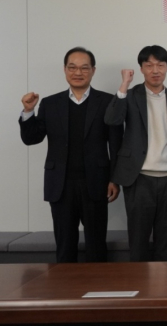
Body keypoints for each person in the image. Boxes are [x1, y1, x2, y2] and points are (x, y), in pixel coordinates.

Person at [19, 47, 122, 263]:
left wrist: (114, 179)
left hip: (96, 183)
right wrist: (28, 111)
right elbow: (31, 138)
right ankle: (64, 284)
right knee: (65, 246)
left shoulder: (107, 102)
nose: (78, 72)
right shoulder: (50, 103)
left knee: (96, 245)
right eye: (72, 67)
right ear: (65, 70)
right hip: (60, 185)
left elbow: (116, 144)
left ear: (93, 70)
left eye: (84, 68)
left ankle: (97, 284)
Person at [105, 45, 167, 262]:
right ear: (141, 69)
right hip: (139, 179)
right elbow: (112, 120)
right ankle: (138, 282)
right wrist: (124, 85)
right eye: (149, 65)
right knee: (138, 241)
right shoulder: (130, 96)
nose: (155, 70)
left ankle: (163, 283)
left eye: (160, 65)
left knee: (165, 242)